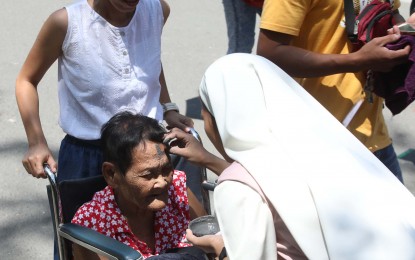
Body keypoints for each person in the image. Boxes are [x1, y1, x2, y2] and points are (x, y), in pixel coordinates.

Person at [165, 53, 415, 259]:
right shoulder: (322, 147)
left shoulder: (235, 189)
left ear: (223, 117)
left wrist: (220, 249)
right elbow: (274, 184)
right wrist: (210, 160)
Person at [15, 0, 193, 183]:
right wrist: (36, 142)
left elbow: (148, 60)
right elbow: (26, 80)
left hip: (151, 154)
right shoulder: (66, 22)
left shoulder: (157, 10)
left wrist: (168, 107)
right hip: (88, 158)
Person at [255, 0, 409, 183]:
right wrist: (357, 61)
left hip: (374, 137)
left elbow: (392, 13)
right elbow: (270, 52)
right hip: (317, 143)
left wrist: (404, 31)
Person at [71, 111, 206, 259]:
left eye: (166, 169)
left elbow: (210, 238)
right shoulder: (93, 224)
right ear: (111, 174)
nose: (162, 182)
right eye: (148, 175)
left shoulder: (177, 188)